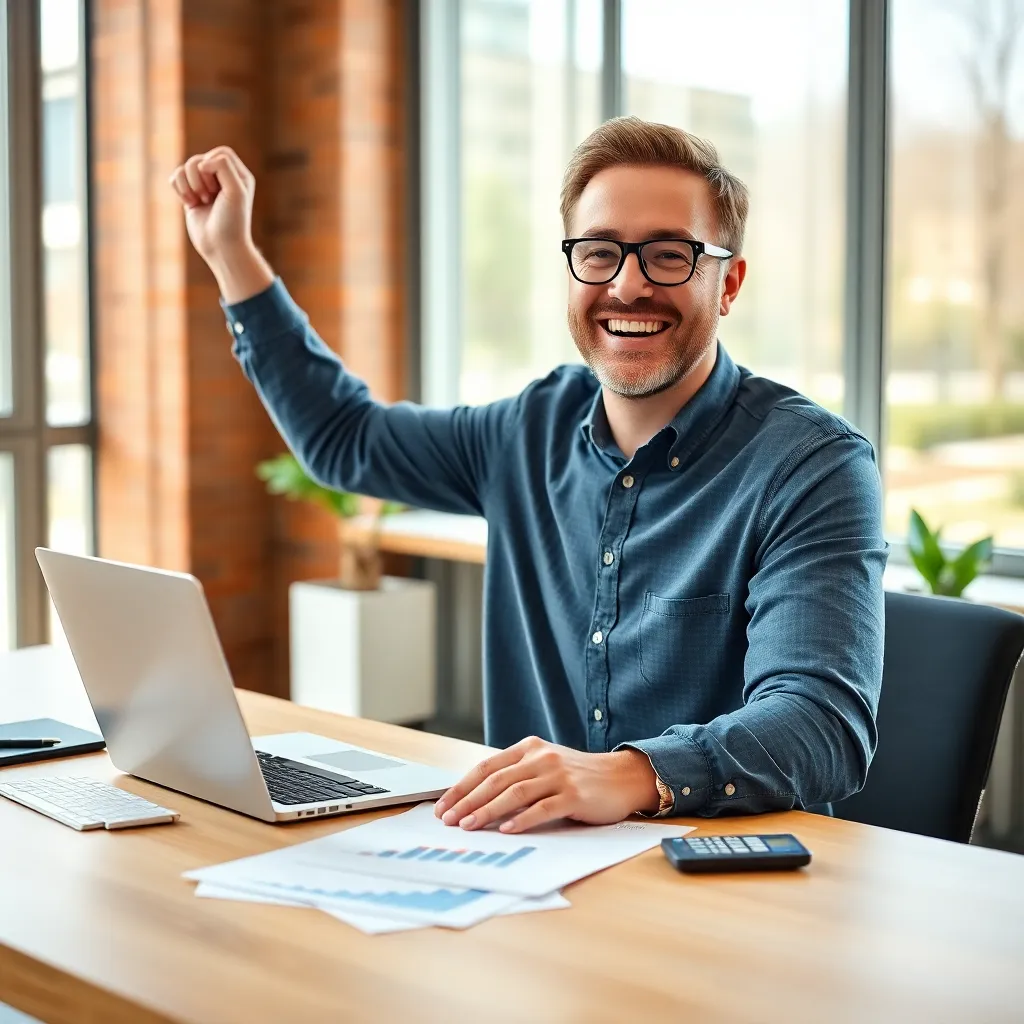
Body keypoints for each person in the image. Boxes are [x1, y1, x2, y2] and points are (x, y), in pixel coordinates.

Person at [169, 116, 887, 836]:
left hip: (726, 876)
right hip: (527, 857)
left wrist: (631, 774)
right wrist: (230, 254)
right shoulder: (528, 429)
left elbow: (821, 724)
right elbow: (345, 439)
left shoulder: (811, 464)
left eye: (670, 256)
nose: (628, 285)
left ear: (728, 283)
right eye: (599, 253)